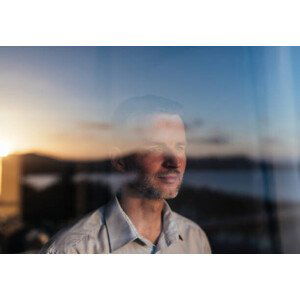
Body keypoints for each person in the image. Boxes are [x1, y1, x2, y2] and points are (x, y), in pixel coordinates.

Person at [41, 95, 211, 254]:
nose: (175, 162)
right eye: (156, 147)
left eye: (180, 147)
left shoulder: (195, 239)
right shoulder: (72, 251)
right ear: (119, 160)